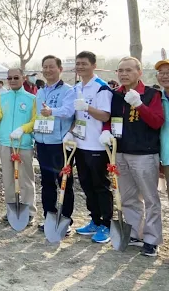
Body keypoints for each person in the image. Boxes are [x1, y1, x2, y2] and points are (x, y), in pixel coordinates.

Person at [100, 57, 164, 257]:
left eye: (128, 70)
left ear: (139, 72)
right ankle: (135, 233)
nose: (123, 74)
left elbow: (156, 122)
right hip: (119, 152)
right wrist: (106, 130)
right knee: (127, 197)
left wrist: (139, 105)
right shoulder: (115, 94)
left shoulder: (152, 94)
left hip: (144, 154)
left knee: (151, 198)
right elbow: (109, 118)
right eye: (120, 70)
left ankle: (152, 239)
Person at [63, 51, 113, 244]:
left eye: (84, 63)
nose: (80, 67)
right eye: (77, 64)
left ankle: (106, 225)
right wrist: (71, 132)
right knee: (86, 184)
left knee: (100, 186)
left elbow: (105, 116)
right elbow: (78, 117)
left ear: (93, 65)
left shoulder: (101, 88)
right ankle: (94, 220)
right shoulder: (77, 87)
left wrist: (88, 108)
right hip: (80, 145)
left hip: (98, 146)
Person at [33, 55, 76, 233]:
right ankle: (49, 216)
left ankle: (65, 219)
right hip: (43, 143)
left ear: (60, 69)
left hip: (60, 145)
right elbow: (37, 115)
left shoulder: (68, 90)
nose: (48, 70)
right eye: (45, 67)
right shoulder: (41, 91)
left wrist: (52, 111)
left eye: (52, 67)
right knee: (47, 182)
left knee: (64, 182)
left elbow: (68, 111)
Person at [0, 68, 37, 224]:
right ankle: (11, 208)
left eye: (16, 77)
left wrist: (23, 129)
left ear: (23, 78)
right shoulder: (1, 97)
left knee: (26, 179)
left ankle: (28, 210)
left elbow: (35, 120)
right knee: (8, 178)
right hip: (5, 142)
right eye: (9, 78)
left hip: (23, 143)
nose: (12, 80)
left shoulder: (31, 98)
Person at [156, 60, 169, 210]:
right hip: (166, 157)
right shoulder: (158, 99)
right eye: (161, 73)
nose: (165, 76)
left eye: (168, 73)